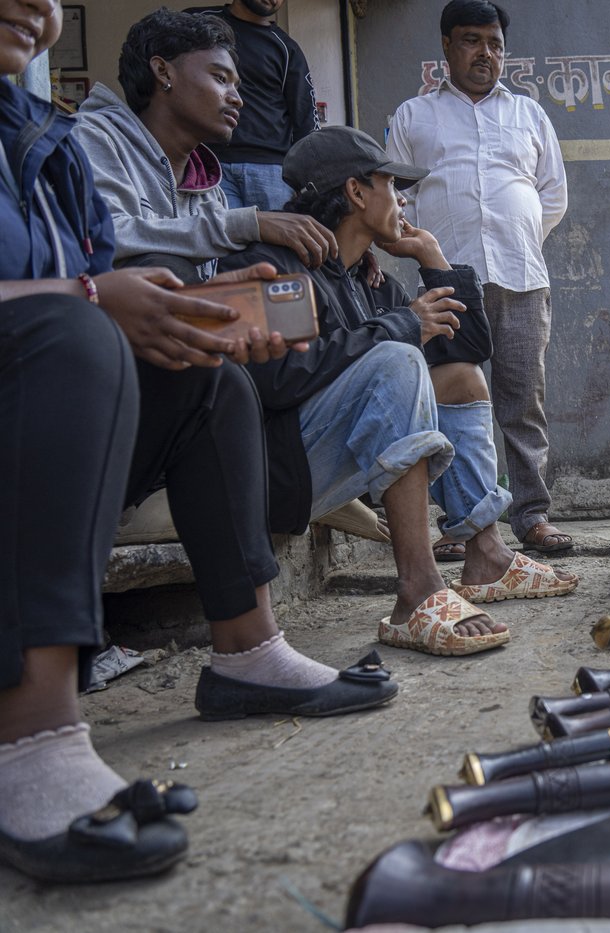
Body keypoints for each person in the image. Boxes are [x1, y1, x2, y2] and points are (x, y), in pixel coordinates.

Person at [0, 0, 392, 884]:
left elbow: (111, 272)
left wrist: (199, 315)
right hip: (35, 392)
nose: (38, 6)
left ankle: (248, 651)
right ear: (162, 73)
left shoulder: (41, 142)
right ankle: (34, 735)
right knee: (76, 333)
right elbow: (92, 294)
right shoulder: (91, 140)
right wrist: (97, 301)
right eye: (216, 73)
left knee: (206, 376)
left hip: (45, 418)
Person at [221, 127, 578, 654]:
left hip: (338, 460)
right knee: (398, 357)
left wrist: (431, 256)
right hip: (281, 471)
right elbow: (277, 381)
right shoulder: (276, 264)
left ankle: (486, 554)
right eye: (391, 183)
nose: (403, 198)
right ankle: (418, 589)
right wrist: (398, 329)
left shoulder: (370, 283)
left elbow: (469, 350)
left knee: (458, 378)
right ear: (356, 192)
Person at [386, 0, 573, 556]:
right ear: (446, 46)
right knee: (453, 401)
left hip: (520, 276)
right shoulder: (413, 117)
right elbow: (396, 200)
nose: (484, 53)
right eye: (471, 41)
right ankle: (464, 522)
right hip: (447, 282)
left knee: (522, 402)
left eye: (493, 43)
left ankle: (532, 517)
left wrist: (516, 240)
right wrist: (430, 251)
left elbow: (553, 197)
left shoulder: (530, 116)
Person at [72, 9, 334, 283]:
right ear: (163, 71)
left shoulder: (210, 192)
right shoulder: (92, 137)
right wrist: (248, 224)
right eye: (221, 79)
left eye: (236, 86)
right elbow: (102, 236)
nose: (237, 99)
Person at [186, 0, 318, 211]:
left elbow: (306, 120)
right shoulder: (198, 23)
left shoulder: (286, 48)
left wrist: (303, 181)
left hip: (272, 172)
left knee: (274, 244)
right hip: (209, 163)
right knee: (220, 242)